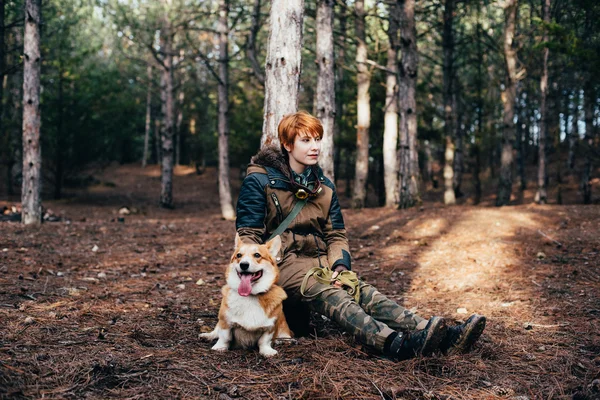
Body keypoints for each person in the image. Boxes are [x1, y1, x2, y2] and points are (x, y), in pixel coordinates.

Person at [235, 111, 486, 359]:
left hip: (318, 261)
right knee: (329, 291)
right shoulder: (260, 180)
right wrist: (256, 275)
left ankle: (437, 334)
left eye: (317, 139)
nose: (315, 147)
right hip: (279, 265)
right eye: (306, 140)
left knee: (359, 289)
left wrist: (340, 265)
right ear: (288, 145)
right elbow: (248, 235)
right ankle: (393, 344)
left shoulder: (324, 187)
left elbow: (336, 234)